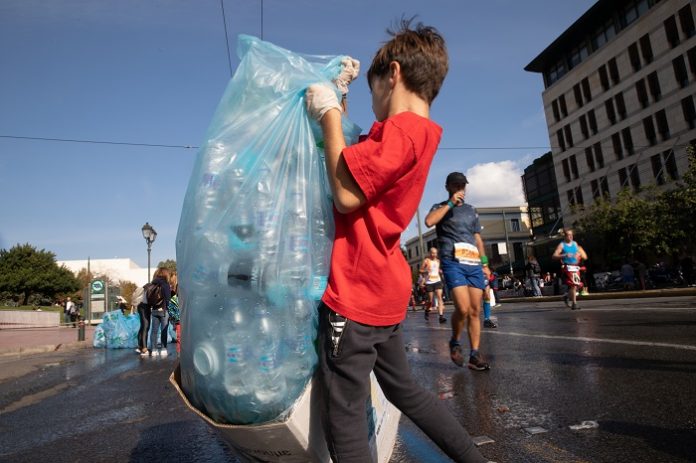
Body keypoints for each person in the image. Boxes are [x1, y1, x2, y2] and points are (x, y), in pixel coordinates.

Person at [305, 19, 487, 463]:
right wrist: (340, 98)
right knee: (404, 389)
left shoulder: (403, 131)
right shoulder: (413, 135)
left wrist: (328, 111)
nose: (374, 104)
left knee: (344, 411)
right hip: (383, 288)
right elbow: (352, 156)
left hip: (356, 288)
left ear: (395, 74)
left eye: (372, 92)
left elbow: (346, 194)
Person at [425, 171, 492, 371]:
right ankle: (454, 341)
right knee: (462, 308)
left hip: (473, 263)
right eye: (455, 186)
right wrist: (451, 204)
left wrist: (485, 263)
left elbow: (477, 238)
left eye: (462, 186)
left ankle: (474, 354)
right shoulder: (440, 207)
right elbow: (429, 221)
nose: (459, 189)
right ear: (448, 187)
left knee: (475, 310)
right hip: (452, 261)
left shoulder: (472, 210)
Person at [553, 229, 587, 310]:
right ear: (565, 236)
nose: (571, 236)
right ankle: (574, 304)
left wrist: (579, 254)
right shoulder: (562, 245)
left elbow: (581, 254)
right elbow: (554, 256)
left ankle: (566, 297)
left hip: (576, 267)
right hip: (567, 267)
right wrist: (564, 255)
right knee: (573, 285)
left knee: (577, 286)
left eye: (571, 235)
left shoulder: (575, 244)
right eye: (568, 235)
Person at [147, 267, 171, 358]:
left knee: (154, 331)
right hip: (164, 310)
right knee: (164, 330)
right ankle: (163, 349)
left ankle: (153, 350)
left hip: (154, 310)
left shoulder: (152, 284)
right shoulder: (165, 284)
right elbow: (168, 298)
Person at [420, 247, 447, 323]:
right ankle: (427, 310)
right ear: (429, 253)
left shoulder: (438, 261)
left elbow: (437, 270)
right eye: (432, 253)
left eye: (435, 253)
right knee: (430, 301)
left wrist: (440, 271)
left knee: (439, 298)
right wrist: (425, 271)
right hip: (429, 282)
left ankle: (441, 317)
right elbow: (421, 270)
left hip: (437, 281)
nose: (433, 254)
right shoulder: (426, 261)